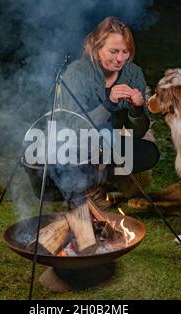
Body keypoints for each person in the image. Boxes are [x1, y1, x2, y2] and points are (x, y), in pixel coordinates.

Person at [53, 16, 160, 206]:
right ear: (96, 49)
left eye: (125, 52)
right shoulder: (77, 74)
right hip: (78, 141)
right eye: (113, 51)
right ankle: (87, 187)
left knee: (147, 152)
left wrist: (136, 110)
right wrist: (109, 103)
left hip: (115, 142)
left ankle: (106, 183)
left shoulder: (133, 73)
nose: (120, 59)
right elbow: (75, 125)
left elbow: (139, 131)